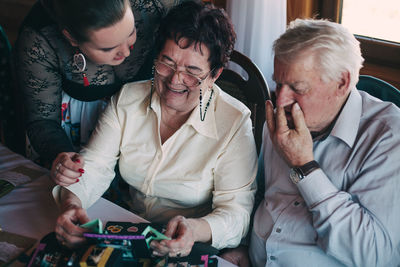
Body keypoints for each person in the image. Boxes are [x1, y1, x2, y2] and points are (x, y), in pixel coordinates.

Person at [51, 0, 258, 257]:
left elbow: (237, 215)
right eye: (167, 63)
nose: (175, 80)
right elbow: (94, 165)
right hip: (128, 226)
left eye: (192, 72)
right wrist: (72, 204)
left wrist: (194, 230)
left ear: (215, 74)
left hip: (188, 245)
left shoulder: (235, 123)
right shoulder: (128, 98)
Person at [224, 19, 400, 267]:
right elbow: (256, 194)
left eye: (297, 88)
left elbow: (373, 255)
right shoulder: (281, 116)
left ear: (342, 82)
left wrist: (304, 167)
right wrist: (241, 245)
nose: (281, 100)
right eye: (278, 83)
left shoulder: (389, 137)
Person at [14, 0, 186, 169]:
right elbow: (42, 120)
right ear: (72, 37)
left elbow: (199, 30)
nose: (126, 52)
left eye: (131, 32)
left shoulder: (155, 3)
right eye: (108, 48)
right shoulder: (39, 40)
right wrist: (63, 156)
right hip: (79, 136)